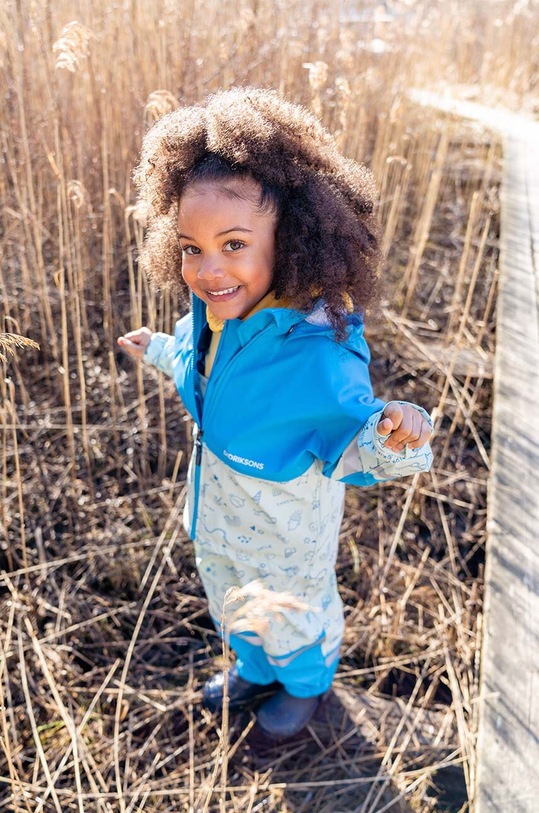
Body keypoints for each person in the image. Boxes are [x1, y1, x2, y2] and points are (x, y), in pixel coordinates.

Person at [118, 87, 433, 739]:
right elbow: (199, 369)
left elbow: (357, 438)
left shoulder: (315, 353)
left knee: (291, 613)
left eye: (233, 243)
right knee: (232, 597)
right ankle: (255, 664)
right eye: (191, 247)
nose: (208, 269)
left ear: (290, 239)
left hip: (286, 532)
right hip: (220, 516)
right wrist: (159, 349)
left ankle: (305, 684)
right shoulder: (217, 315)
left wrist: (393, 433)